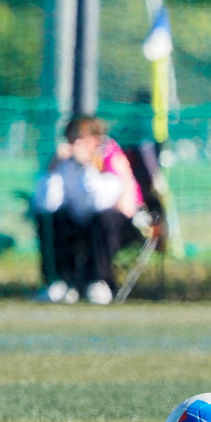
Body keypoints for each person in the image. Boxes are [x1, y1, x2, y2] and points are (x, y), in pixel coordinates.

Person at [32, 116, 142, 305]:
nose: (75, 145)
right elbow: (47, 203)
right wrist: (52, 169)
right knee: (51, 220)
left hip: (115, 228)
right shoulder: (65, 164)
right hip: (78, 224)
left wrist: (87, 167)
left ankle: (99, 281)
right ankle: (60, 281)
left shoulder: (110, 160)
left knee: (102, 219)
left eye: (81, 139)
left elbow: (99, 202)